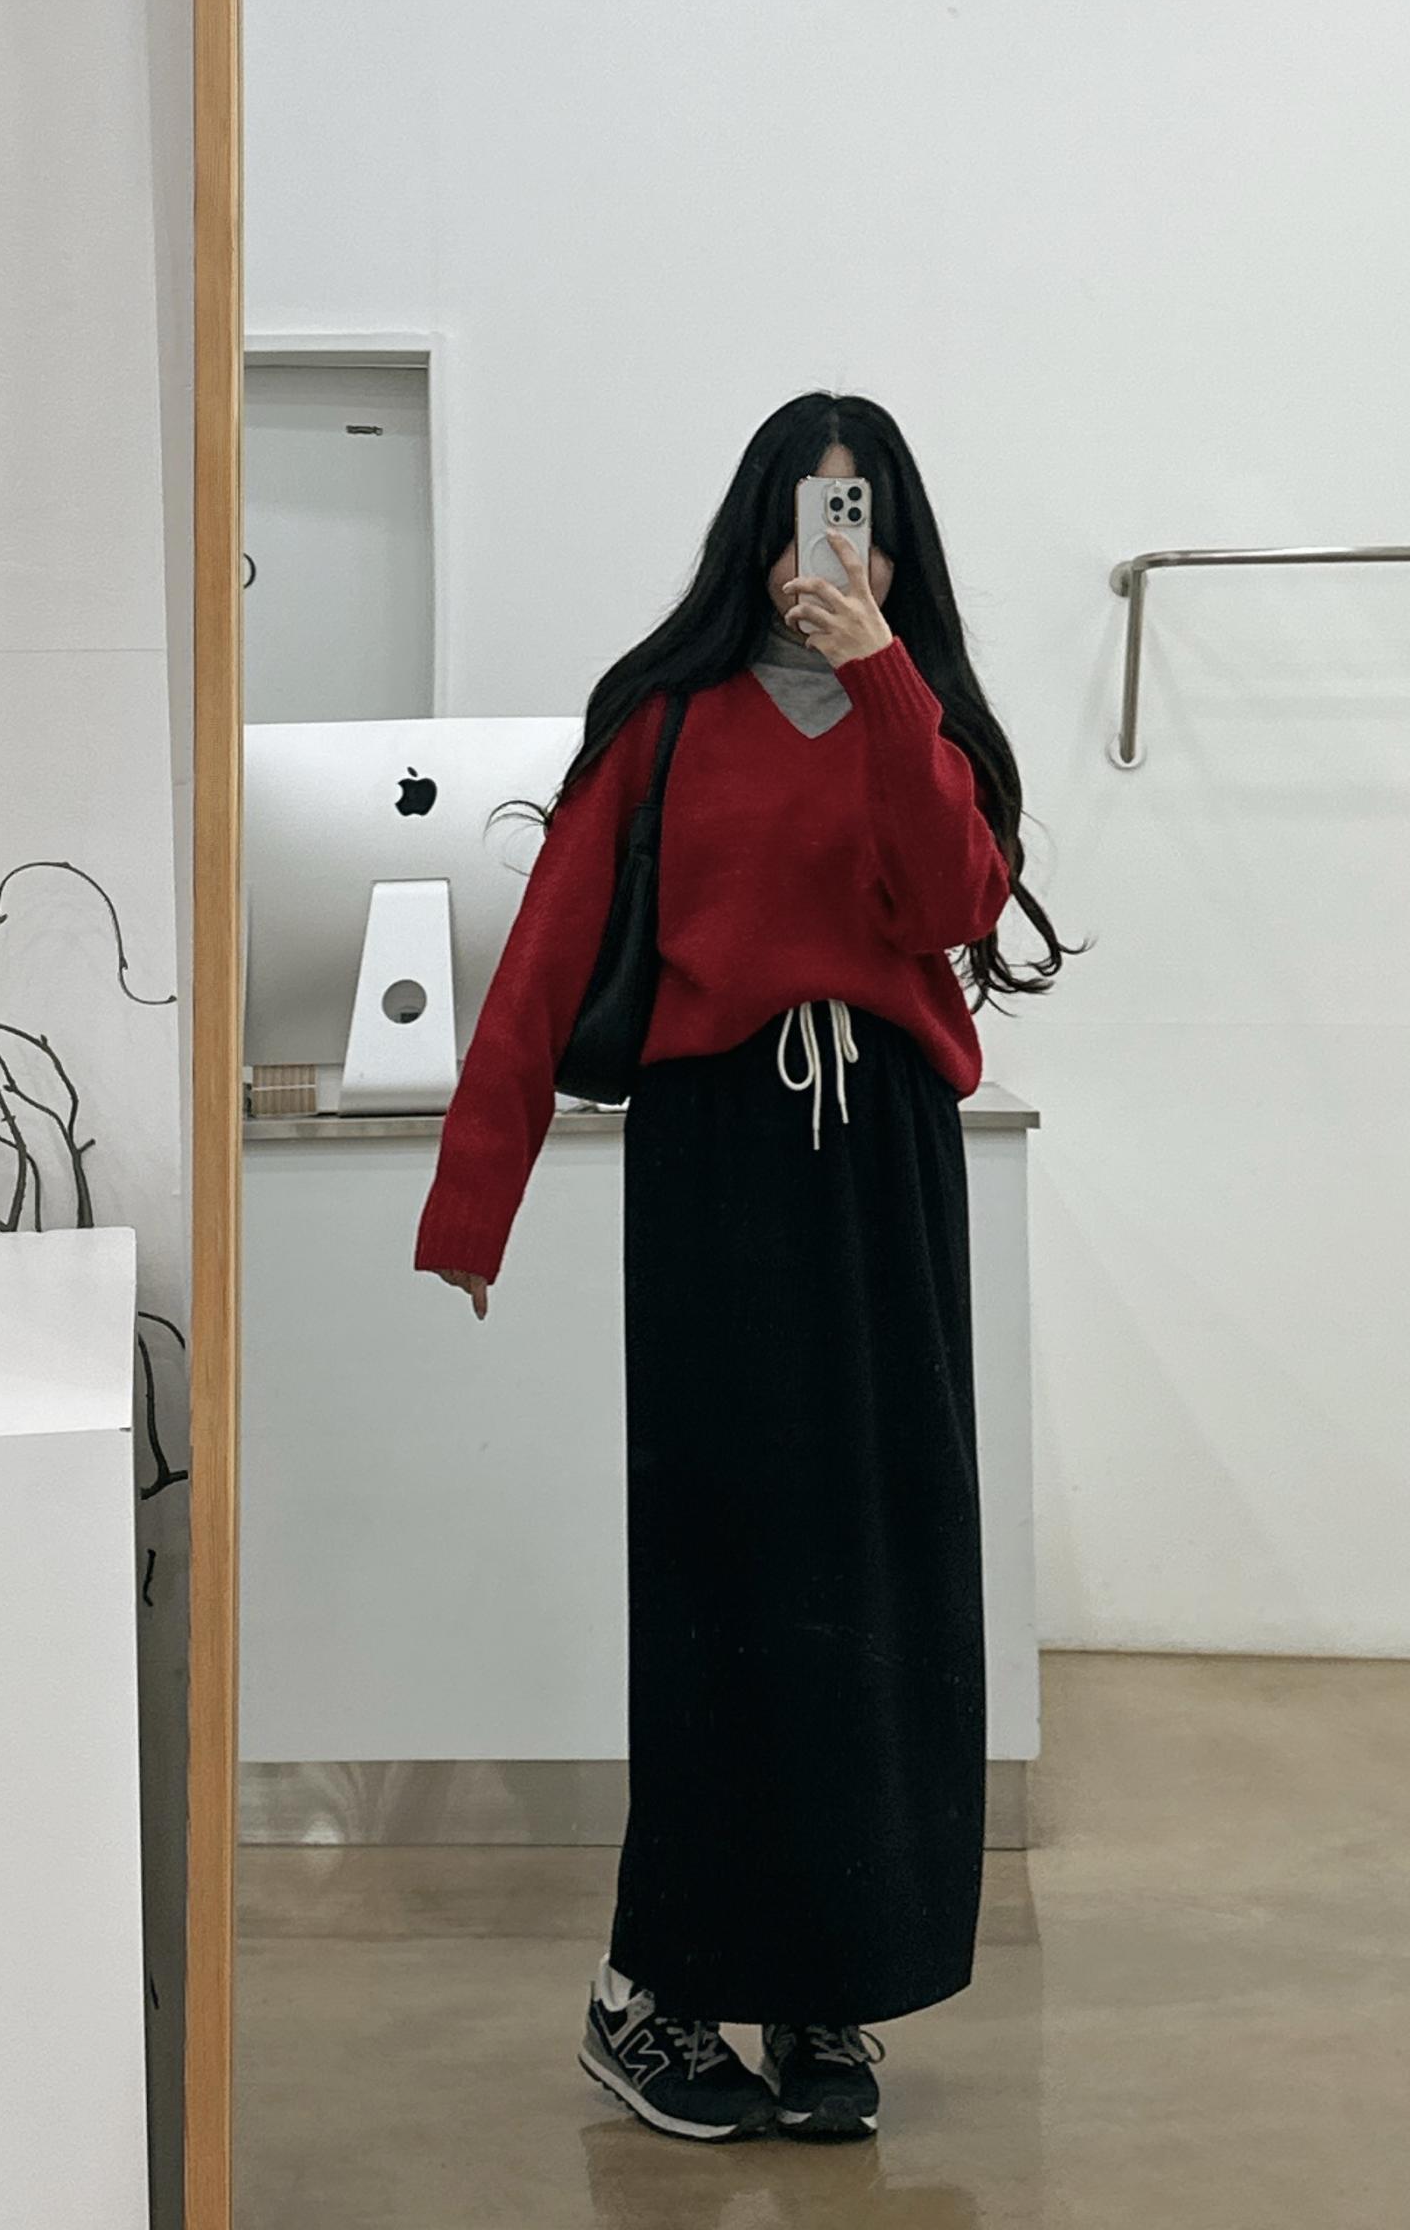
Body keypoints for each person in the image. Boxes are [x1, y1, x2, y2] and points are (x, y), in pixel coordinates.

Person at [414, 392, 1074, 2143]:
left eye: (858, 515)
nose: (827, 547)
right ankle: (651, 1989)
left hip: (886, 1174)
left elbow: (952, 903)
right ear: (757, 530)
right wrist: (474, 1203)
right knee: (726, 1569)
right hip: (719, 1171)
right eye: (804, 510)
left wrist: (883, 679)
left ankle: (825, 1988)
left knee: (881, 1574)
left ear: (893, 543)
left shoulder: (924, 716)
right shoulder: (667, 721)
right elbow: (549, 950)